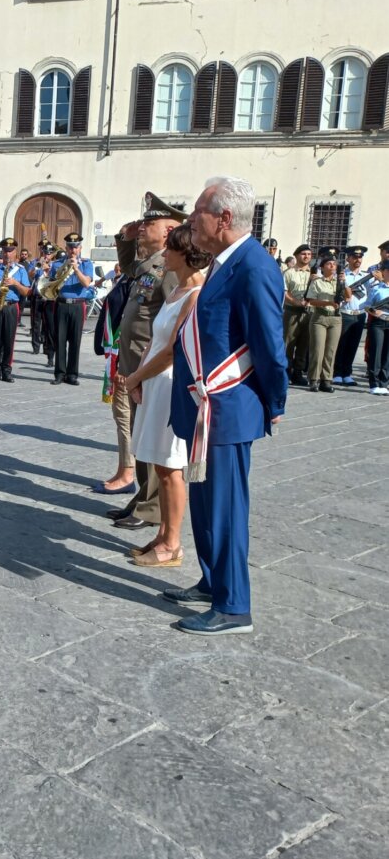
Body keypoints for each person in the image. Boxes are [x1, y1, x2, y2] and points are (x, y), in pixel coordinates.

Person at [167, 176, 287, 635]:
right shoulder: (224, 261)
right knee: (204, 501)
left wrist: (274, 402)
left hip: (228, 408)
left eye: (198, 212)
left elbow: (268, 345)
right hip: (205, 409)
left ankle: (234, 606)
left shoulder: (254, 266)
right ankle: (213, 581)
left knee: (226, 509)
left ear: (223, 217)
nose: (190, 220)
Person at [121, 222, 208, 566]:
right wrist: (138, 376)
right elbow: (155, 339)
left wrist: (137, 377)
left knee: (171, 468)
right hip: (154, 381)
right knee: (158, 463)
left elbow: (173, 350)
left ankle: (172, 543)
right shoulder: (177, 290)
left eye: (171, 249)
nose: (165, 254)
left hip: (171, 382)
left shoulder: (196, 293)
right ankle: (162, 533)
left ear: (186, 254)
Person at [100, 194, 184, 538]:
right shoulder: (152, 262)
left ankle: (152, 509)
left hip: (152, 369)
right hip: (136, 366)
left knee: (150, 440)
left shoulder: (170, 269)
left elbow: (171, 320)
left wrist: (148, 365)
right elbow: (130, 269)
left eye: (150, 224)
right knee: (139, 435)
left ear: (168, 232)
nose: (143, 227)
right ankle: (142, 499)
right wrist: (125, 237)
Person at [50, 233, 96, 385]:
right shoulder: (57, 264)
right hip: (61, 304)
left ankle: (72, 374)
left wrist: (76, 269)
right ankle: (59, 373)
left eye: (76, 247)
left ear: (80, 248)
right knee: (60, 340)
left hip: (78, 304)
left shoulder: (86, 264)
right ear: (66, 248)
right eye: (70, 247)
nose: (73, 250)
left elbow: (86, 283)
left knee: (75, 341)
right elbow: (52, 285)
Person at [0, 237, 31, 382]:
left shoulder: (21, 270)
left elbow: (27, 292)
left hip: (11, 306)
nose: (7, 254)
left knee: (9, 339)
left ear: (15, 252)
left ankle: (7, 370)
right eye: (5, 251)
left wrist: (15, 283)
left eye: (10, 251)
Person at [304, 253, 343, 393]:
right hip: (320, 317)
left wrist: (344, 283)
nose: (332, 265)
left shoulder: (339, 281)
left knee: (330, 351)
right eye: (329, 263)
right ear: (322, 267)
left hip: (335, 319)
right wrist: (328, 303)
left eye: (334, 264)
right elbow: (311, 301)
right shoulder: (317, 282)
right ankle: (313, 379)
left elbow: (349, 297)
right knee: (317, 349)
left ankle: (326, 380)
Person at [334, 246, 371, 385]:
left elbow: (370, 294)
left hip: (359, 314)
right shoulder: (342, 275)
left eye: (360, 257)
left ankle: (347, 373)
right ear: (348, 258)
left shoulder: (366, 276)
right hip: (345, 313)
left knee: (353, 345)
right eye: (354, 257)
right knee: (341, 344)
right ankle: (337, 372)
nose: (357, 260)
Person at [282, 245, 313, 385]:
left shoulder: (314, 274)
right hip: (292, 311)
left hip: (308, 313)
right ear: (296, 255)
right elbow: (284, 292)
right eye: (303, 254)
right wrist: (296, 302)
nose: (306, 256)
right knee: (289, 343)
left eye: (309, 254)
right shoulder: (289, 273)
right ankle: (286, 371)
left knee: (304, 343)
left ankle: (298, 372)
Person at [365, 262, 389, 395]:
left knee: (387, 354)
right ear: (384, 272)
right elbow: (367, 306)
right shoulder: (376, 288)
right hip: (378, 323)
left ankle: (384, 382)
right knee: (376, 353)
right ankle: (374, 383)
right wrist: (375, 312)